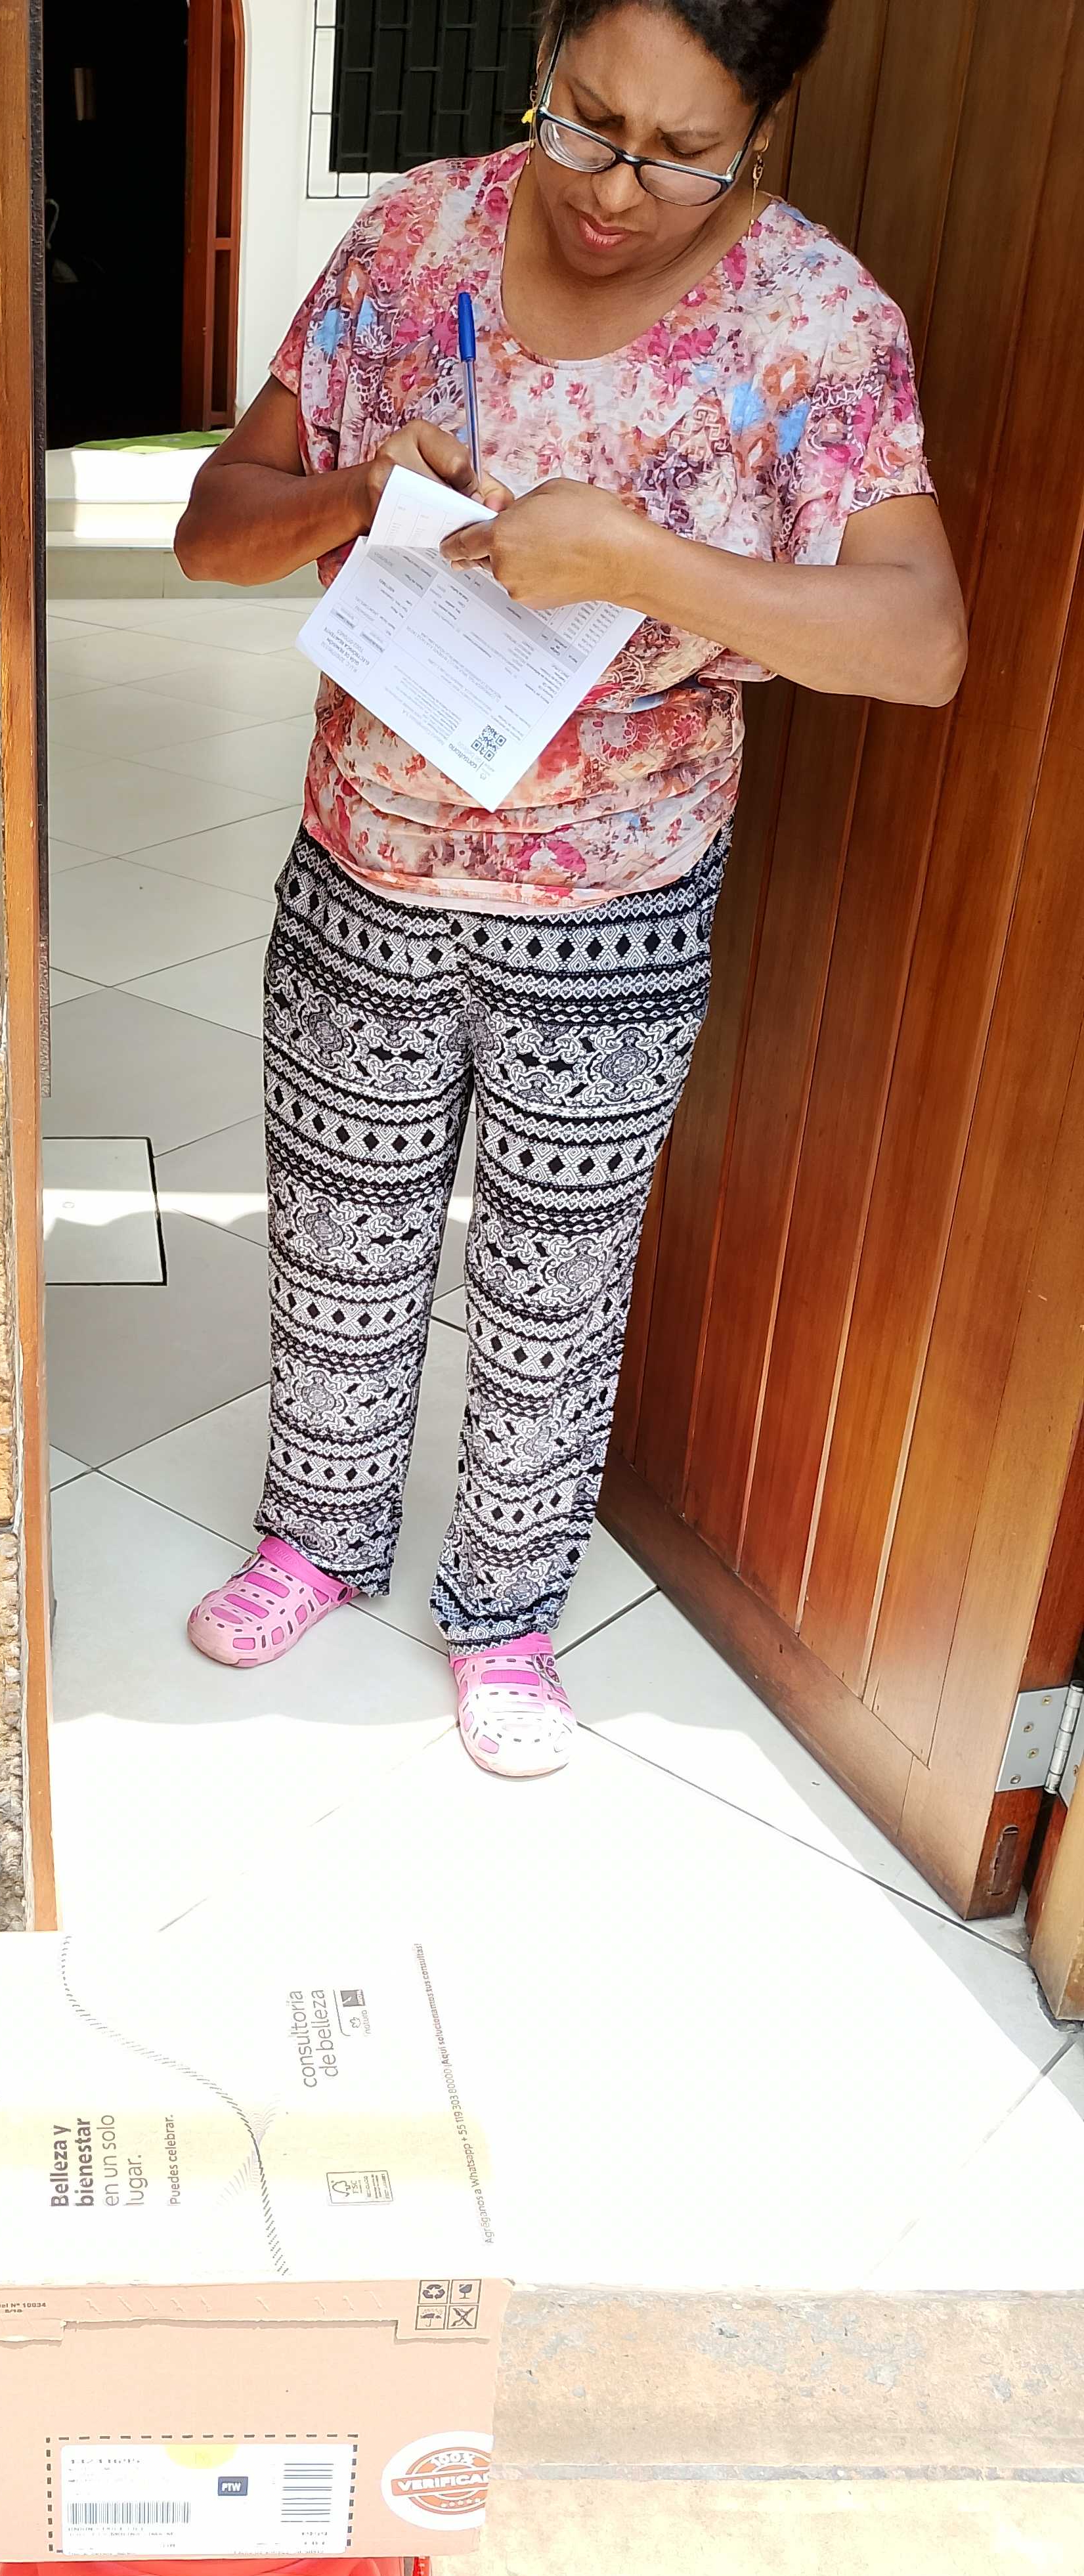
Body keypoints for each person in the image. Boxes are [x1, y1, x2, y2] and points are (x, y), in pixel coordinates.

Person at [173, 0, 965, 1777]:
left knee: (557, 1285)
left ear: (764, 131)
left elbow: (921, 645)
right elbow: (212, 528)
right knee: (339, 1240)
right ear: (542, 56)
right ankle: (319, 1538)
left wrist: (635, 557)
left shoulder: (818, 323)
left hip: (618, 899)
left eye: (683, 156)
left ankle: (506, 1613)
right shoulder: (411, 239)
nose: (614, 189)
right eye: (587, 121)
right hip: (366, 860)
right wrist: (353, 492)